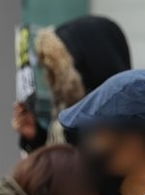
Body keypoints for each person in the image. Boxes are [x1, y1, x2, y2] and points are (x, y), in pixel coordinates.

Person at [12, 15, 131, 152]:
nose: (54, 83)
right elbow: (63, 162)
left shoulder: (120, 134)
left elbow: (72, 165)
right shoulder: (75, 126)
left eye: (60, 72)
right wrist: (36, 136)